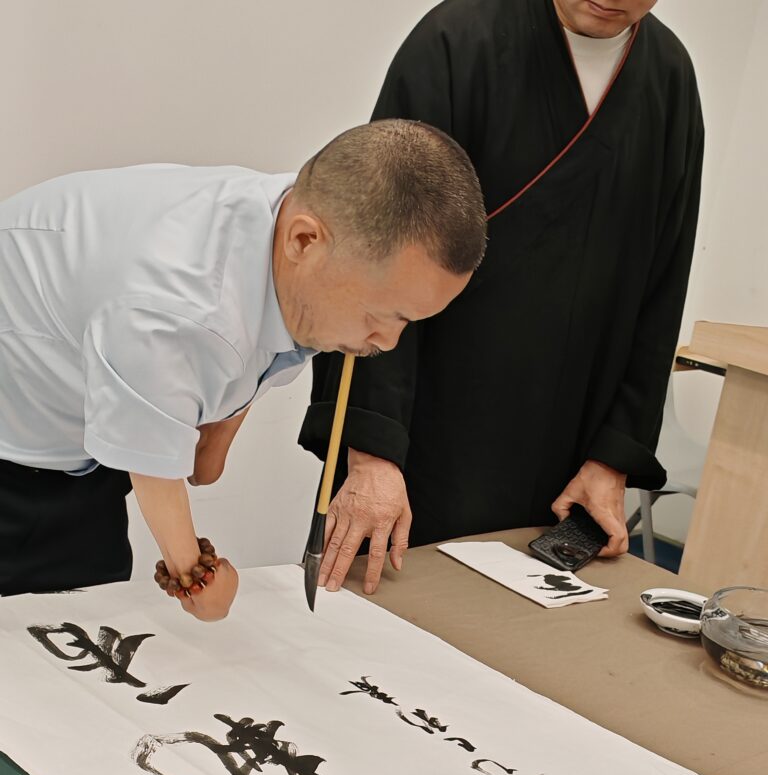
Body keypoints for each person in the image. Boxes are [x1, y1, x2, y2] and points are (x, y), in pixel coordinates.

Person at [0, 120, 486, 618]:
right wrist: (195, 578)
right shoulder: (176, 304)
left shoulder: (301, 223)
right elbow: (150, 457)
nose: (387, 341)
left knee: (85, 619)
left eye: (410, 322)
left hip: (78, 454)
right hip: (16, 451)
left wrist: (214, 434)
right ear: (304, 241)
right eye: (382, 316)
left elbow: (249, 366)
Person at [299, 0, 704, 595]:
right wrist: (372, 453)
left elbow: (663, 281)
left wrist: (614, 457)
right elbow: (372, 254)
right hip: (425, 434)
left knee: (524, 656)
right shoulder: (457, 40)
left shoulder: (669, 76)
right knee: (374, 644)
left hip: (568, 455)